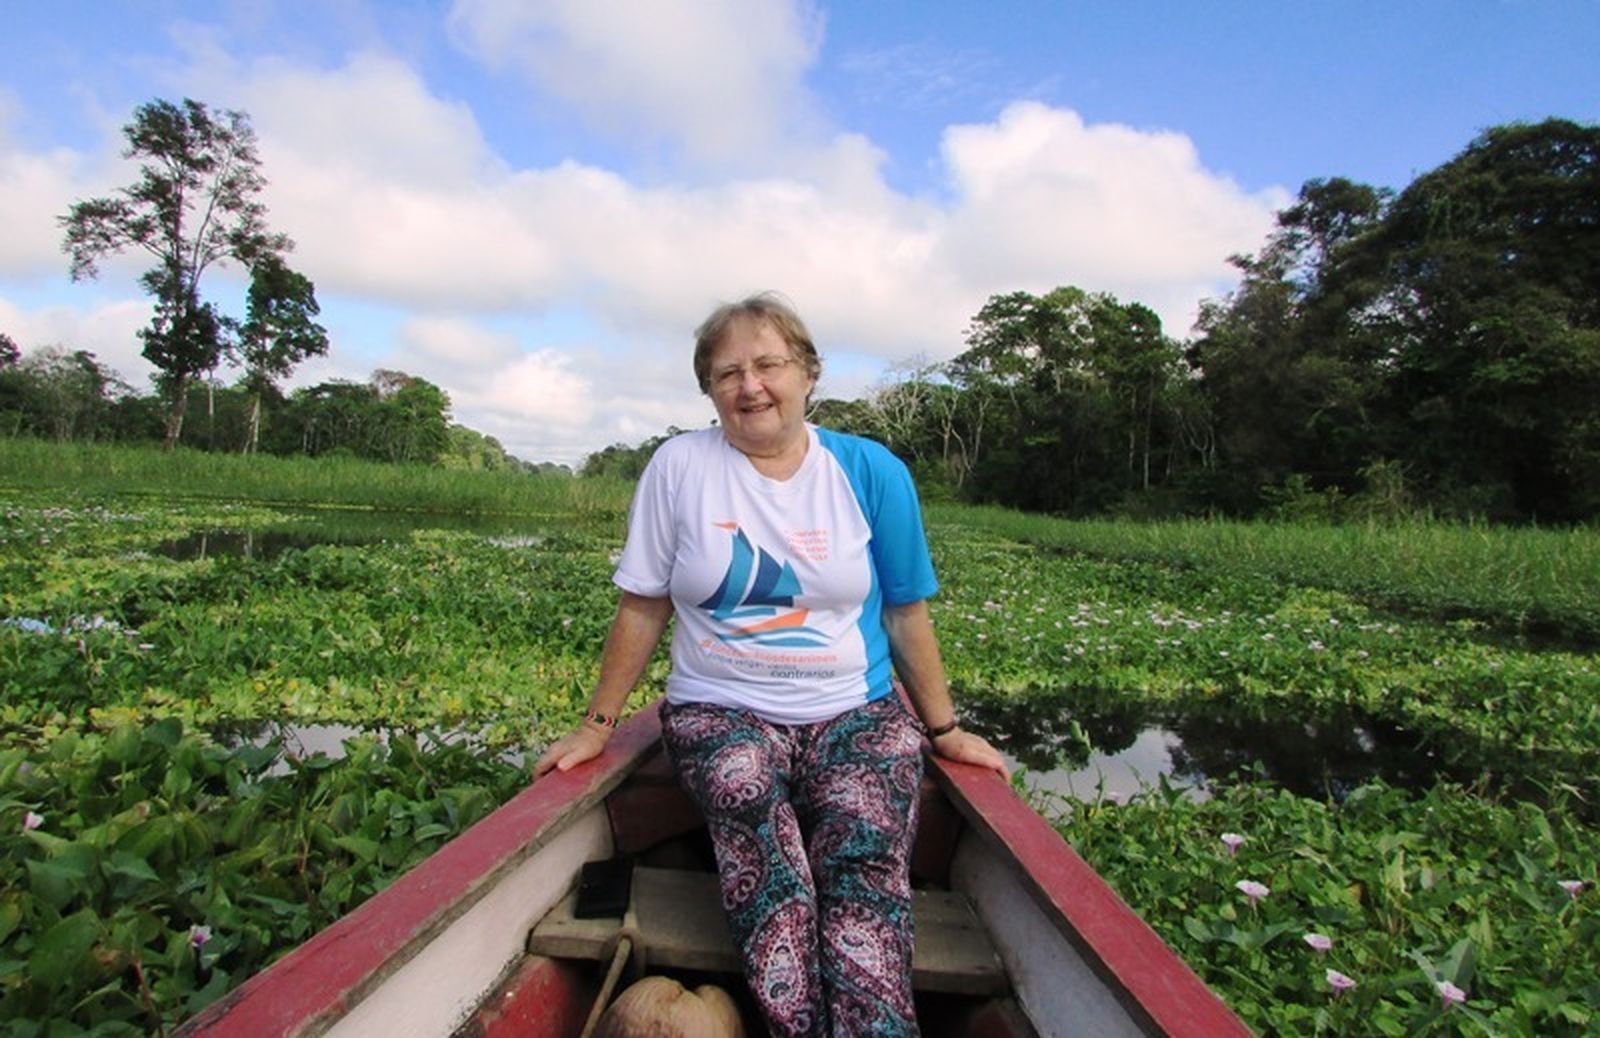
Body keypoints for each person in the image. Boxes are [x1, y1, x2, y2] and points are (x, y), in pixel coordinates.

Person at [535, 292, 1007, 1037]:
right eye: (726, 373)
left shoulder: (871, 472)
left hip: (855, 708)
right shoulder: (679, 467)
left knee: (863, 846)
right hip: (720, 708)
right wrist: (597, 725)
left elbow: (906, 612)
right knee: (748, 801)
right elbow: (643, 605)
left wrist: (943, 728)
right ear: (708, 391)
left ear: (808, 374)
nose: (749, 385)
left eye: (767, 364)